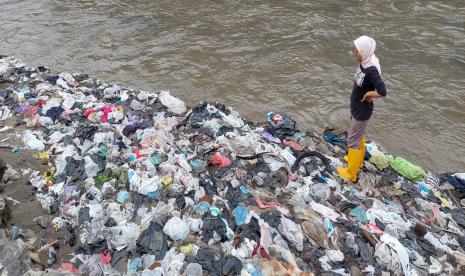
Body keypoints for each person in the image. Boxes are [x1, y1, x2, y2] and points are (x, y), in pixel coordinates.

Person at [337, 35, 387, 182]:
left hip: (362, 110)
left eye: (357, 50)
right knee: (359, 136)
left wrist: (369, 94)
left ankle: (351, 173)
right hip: (356, 106)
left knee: (352, 139)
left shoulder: (371, 69)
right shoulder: (366, 62)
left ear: (365, 51)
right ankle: (356, 160)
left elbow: (382, 91)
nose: (355, 53)